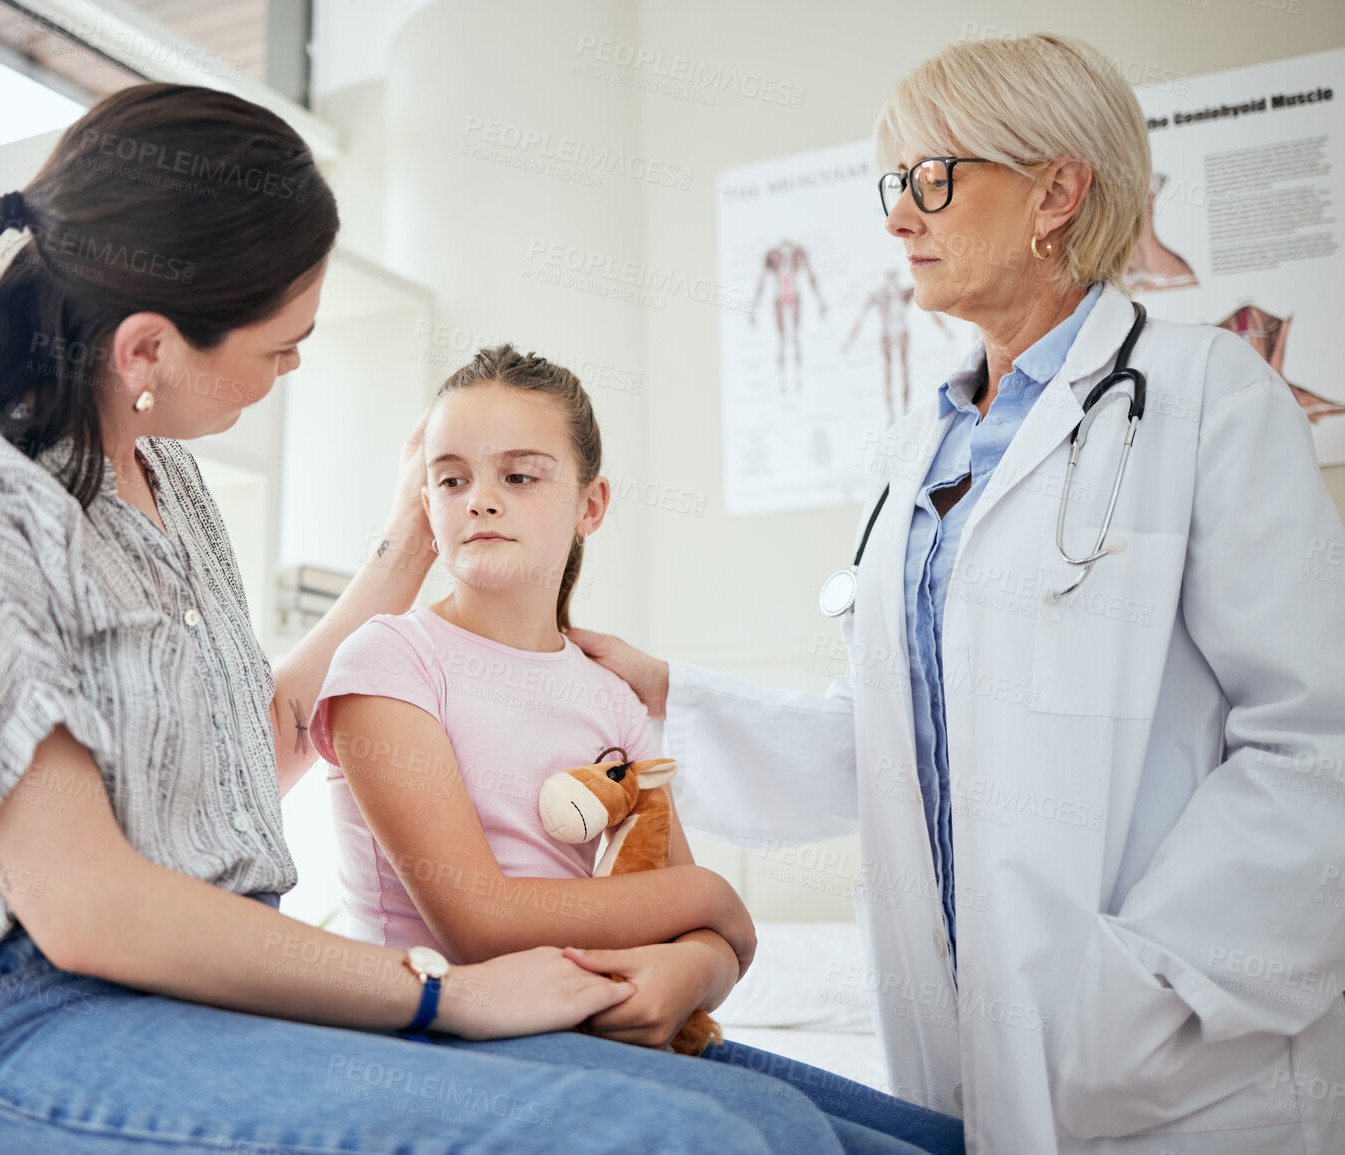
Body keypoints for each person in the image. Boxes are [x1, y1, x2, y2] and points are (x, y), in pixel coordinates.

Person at [0, 82, 914, 1155]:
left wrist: (418, 530)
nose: (288, 370)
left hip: (198, 993)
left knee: (807, 1127)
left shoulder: (164, 484)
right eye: (280, 349)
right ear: (146, 349)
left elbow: (251, 743)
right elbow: (88, 906)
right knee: (688, 1136)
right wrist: (444, 995)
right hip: (11, 1032)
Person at [567, 33, 1345, 1155]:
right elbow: (896, 737)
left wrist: (1143, 993)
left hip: (1181, 1067)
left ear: (1057, 191)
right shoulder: (919, 450)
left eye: (932, 179)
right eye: (896, 185)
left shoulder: (1205, 395)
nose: (898, 219)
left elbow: (1317, 742)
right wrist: (672, 697)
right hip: (956, 1052)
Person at [309, 344, 965, 1154]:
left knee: (948, 1142)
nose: (479, 499)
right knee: (792, 1135)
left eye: (519, 476)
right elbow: (480, 923)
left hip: (603, 1028)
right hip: (457, 1044)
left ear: (592, 504)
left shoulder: (605, 693)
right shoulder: (390, 660)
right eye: (449, 478)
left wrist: (692, 970)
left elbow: (709, 945)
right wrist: (714, 900)